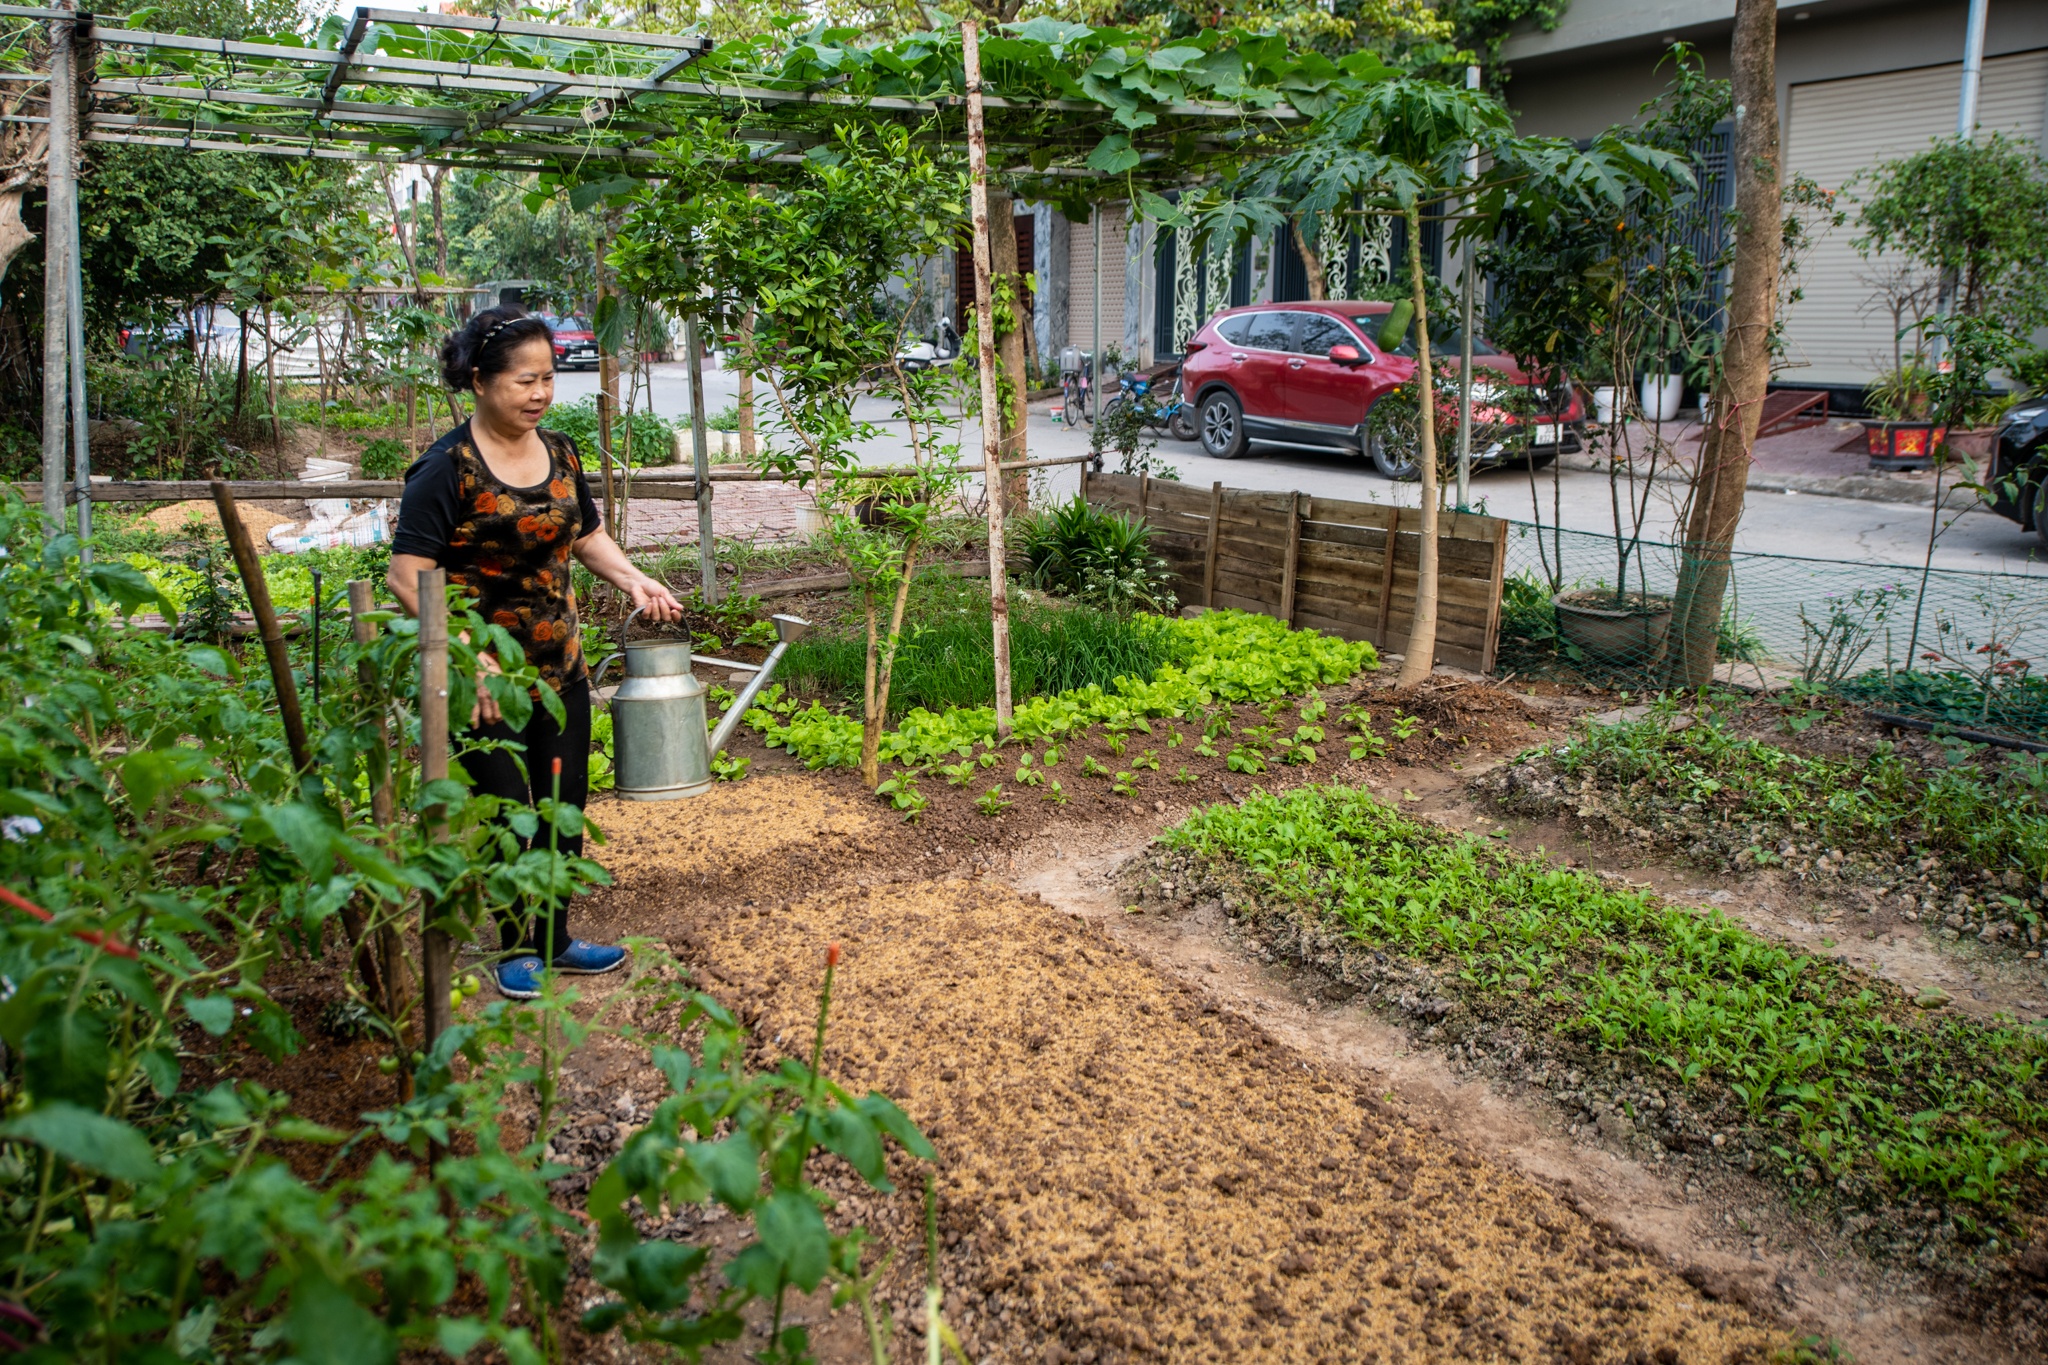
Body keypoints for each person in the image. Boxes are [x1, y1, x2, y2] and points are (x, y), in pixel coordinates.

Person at [387, 305, 684, 999]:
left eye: (548, 378)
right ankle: (516, 947)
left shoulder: (561, 451)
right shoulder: (445, 469)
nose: (541, 393)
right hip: (482, 681)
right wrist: (468, 655)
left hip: (559, 670)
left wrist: (634, 578)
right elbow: (406, 577)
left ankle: (555, 939)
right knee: (503, 811)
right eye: (525, 380)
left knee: (561, 805)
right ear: (479, 381)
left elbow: (586, 534)